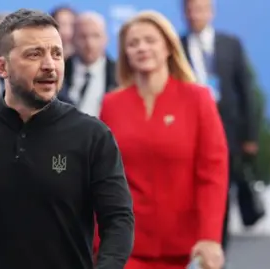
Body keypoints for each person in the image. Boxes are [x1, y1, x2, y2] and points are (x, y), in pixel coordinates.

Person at [0, 8, 134, 269]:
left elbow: (118, 220)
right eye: (34, 54)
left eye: (56, 53)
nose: (49, 65)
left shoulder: (93, 136)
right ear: (2, 66)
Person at [96, 10, 228, 269]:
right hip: (124, 248)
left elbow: (212, 174)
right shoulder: (112, 104)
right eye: (133, 43)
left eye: (150, 40)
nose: (142, 48)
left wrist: (210, 238)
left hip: (187, 249)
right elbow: (101, 177)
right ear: (125, 54)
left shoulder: (198, 99)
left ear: (168, 46)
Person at [180, 0, 259, 249]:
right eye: (191, 9)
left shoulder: (230, 45)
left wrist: (250, 136)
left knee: (219, 194)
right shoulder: (177, 46)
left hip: (227, 133)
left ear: (211, 12)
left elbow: (246, 91)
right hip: (188, 133)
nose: (196, 15)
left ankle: (217, 252)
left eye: (201, 9)